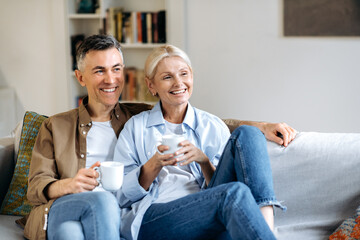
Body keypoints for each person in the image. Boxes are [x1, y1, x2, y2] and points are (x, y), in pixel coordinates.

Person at [114, 45, 297, 240]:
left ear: (191, 76)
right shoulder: (136, 127)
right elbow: (122, 195)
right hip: (157, 216)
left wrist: (203, 161)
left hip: (208, 210)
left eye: (184, 74)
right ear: (151, 85)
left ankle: (265, 227)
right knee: (234, 193)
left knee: (249, 133)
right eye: (167, 77)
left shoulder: (212, 125)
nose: (178, 83)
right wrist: (154, 163)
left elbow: (220, 191)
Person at [24, 35, 152, 240]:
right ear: (81, 77)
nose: (111, 79)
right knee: (103, 200)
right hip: (66, 206)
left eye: (116, 69)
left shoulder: (140, 118)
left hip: (116, 212)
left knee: (70, 233)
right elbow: (36, 186)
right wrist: (70, 184)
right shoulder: (55, 126)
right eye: (100, 70)